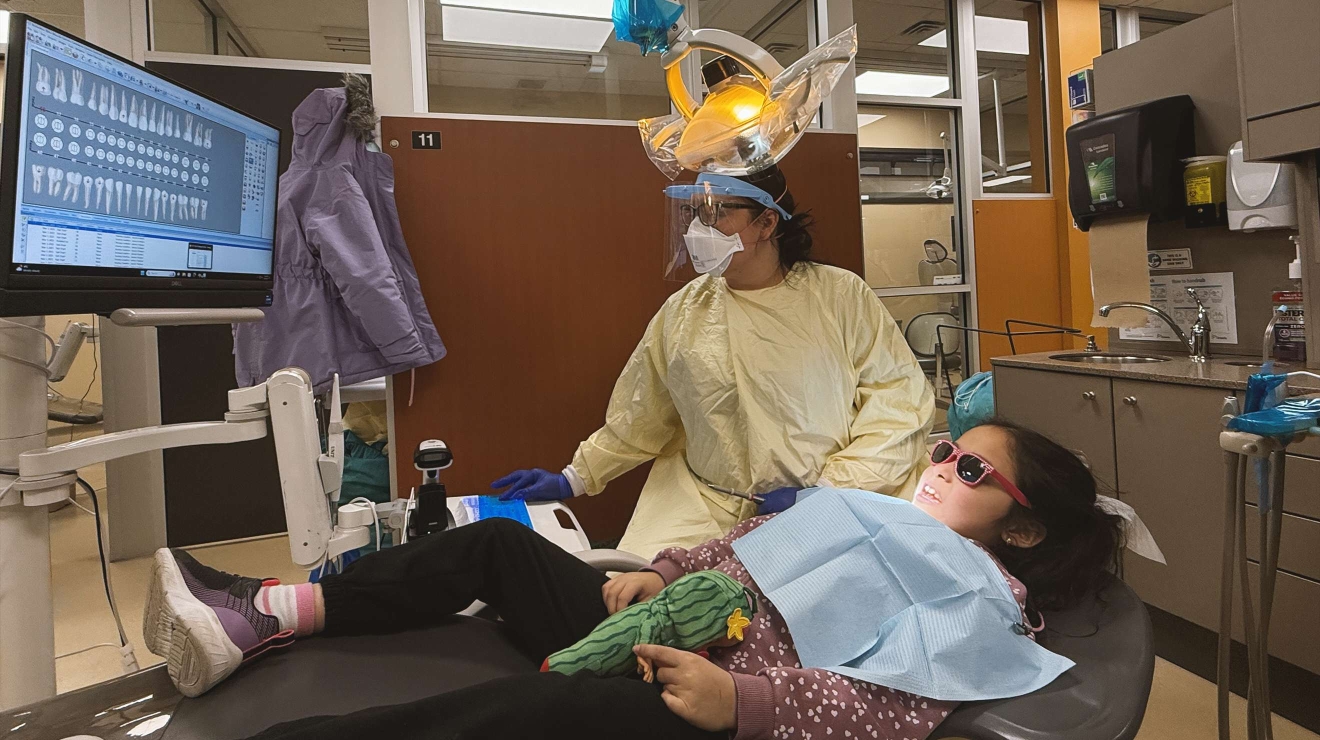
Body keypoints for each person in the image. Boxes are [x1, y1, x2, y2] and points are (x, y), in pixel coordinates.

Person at [144, 421, 1123, 740]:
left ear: (1025, 524)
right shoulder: (871, 512)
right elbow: (741, 552)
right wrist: (661, 572)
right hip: (675, 628)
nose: (942, 467)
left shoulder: (981, 602)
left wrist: (736, 696)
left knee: (560, 706)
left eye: (973, 471)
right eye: (947, 449)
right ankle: (270, 609)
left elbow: (878, 705)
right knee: (505, 550)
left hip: (716, 705)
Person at [492, 166, 935, 558]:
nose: (700, 227)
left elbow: (898, 408)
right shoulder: (684, 310)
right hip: (705, 501)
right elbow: (642, 412)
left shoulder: (840, 297)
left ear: (765, 224)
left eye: (718, 212)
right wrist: (575, 477)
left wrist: (827, 492)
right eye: (695, 212)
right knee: (636, 605)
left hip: (825, 505)